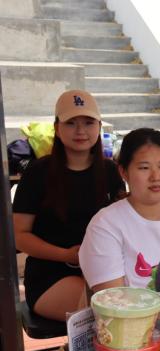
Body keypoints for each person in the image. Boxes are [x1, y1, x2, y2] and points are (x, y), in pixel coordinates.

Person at [12, 90, 124, 321]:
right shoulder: (38, 172)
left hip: (102, 269)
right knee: (106, 310)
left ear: (99, 126)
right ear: (57, 128)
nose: (81, 131)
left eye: (88, 122)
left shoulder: (110, 172)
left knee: (132, 300)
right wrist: (67, 255)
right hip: (50, 275)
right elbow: (19, 236)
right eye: (71, 123)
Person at [79, 128, 160, 292]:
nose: (155, 177)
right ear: (123, 172)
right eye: (144, 168)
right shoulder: (105, 224)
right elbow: (112, 299)